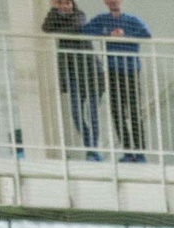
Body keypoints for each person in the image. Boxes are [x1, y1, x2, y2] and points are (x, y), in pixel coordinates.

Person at [81, 0, 149, 163]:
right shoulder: (102, 19)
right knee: (117, 111)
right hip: (112, 70)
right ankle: (127, 151)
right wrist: (107, 35)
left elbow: (146, 34)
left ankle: (139, 152)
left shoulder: (132, 20)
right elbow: (85, 31)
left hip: (131, 69)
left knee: (133, 111)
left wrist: (124, 36)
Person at [40, 0, 100, 160]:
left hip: (91, 71)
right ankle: (90, 146)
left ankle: (92, 151)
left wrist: (58, 31)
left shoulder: (80, 15)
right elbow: (46, 28)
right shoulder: (56, 16)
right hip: (73, 73)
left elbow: (76, 28)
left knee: (92, 114)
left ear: (73, 4)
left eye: (68, 3)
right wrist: (54, 11)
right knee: (76, 114)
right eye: (62, 4)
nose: (66, 6)